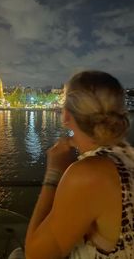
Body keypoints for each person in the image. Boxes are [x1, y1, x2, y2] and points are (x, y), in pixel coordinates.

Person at [11, 70, 134, 259]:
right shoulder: (126, 156)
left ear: (66, 116)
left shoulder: (90, 174)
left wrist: (54, 172)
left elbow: (35, 255)